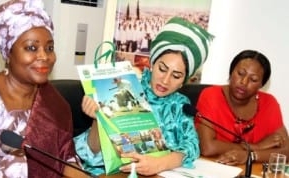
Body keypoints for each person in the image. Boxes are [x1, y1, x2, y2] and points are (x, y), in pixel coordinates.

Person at [74, 16, 213, 176]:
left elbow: (192, 145)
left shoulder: (180, 104)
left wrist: (160, 163)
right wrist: (97, 120)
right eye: (162, 69)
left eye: (176, 76)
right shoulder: (127, 88)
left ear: (184, 81)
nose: (165, 80)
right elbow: (89, 154)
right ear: (152, 63)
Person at [0, 0, 89, 177]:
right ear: (8, 53)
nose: (44, 56)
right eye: (31, 48)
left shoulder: (53, 100)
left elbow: (65, 159)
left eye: (49, 48)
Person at [195, 49, 289, 166]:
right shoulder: (211, 95)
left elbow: (286, 151)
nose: (244, 82)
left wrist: (251, 155)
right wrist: (257, 146)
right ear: (231, 72)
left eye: (253, 79)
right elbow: (208, 147)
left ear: (261, 85)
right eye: (240, 73)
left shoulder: (269, 103)